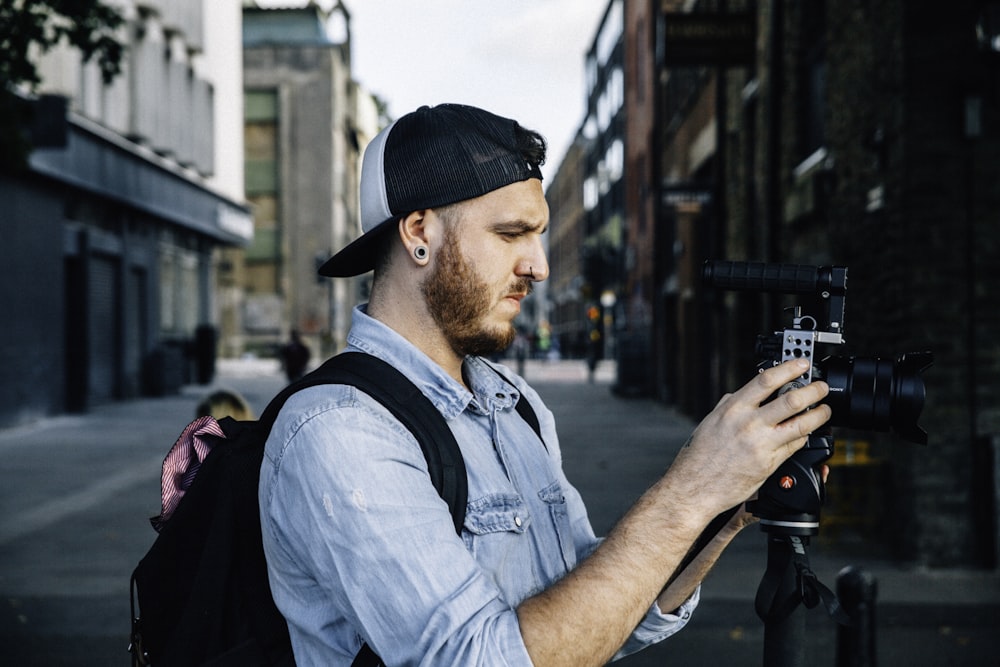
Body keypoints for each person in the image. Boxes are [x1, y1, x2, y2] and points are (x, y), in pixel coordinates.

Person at [258, 103, 831, 666]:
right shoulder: (342, 431)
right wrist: (688, 494)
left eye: (540, 236)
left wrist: (725, 501)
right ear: (418, 232)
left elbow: (599, 616)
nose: (540, 266)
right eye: (512, 234)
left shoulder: (516, 406)